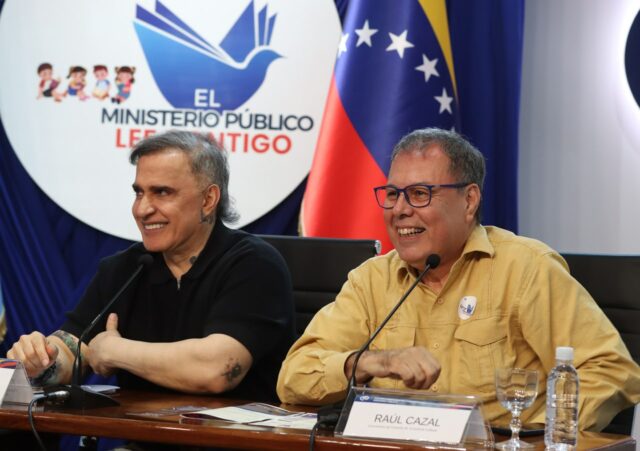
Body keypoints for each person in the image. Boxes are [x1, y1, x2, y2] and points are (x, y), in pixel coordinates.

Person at [277, 128, 640, 431]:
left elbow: (611, 371)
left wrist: (535, 435)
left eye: (419, 194)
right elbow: (294, 377)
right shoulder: (372, 280)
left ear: (469, 201)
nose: (400, 209)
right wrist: (372, 362)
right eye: (392, 194)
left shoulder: (526, 269)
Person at [8, 130, 295, 403]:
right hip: (140, 433)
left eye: (162, 193)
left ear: (208, 200)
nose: (142, 209)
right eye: (139, 193)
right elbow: (72, 349)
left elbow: (218, 370)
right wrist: (41, 359)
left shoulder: (254, 264)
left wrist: (116, 351)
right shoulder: (125, 269)